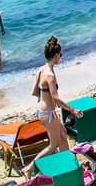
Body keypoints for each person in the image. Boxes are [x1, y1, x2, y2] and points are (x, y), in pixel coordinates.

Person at [27, 37, 83, 173]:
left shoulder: (42, 69)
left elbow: (34, 91)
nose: (61, 58)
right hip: (48, 114)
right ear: (56, 55)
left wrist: (45, 101)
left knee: (63, 135)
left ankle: (67, 164)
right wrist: (72, 110)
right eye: (60, 55)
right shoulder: (50, 75)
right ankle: (29, 168)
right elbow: (56, 98)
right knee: (53, 145)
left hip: (45, 111)